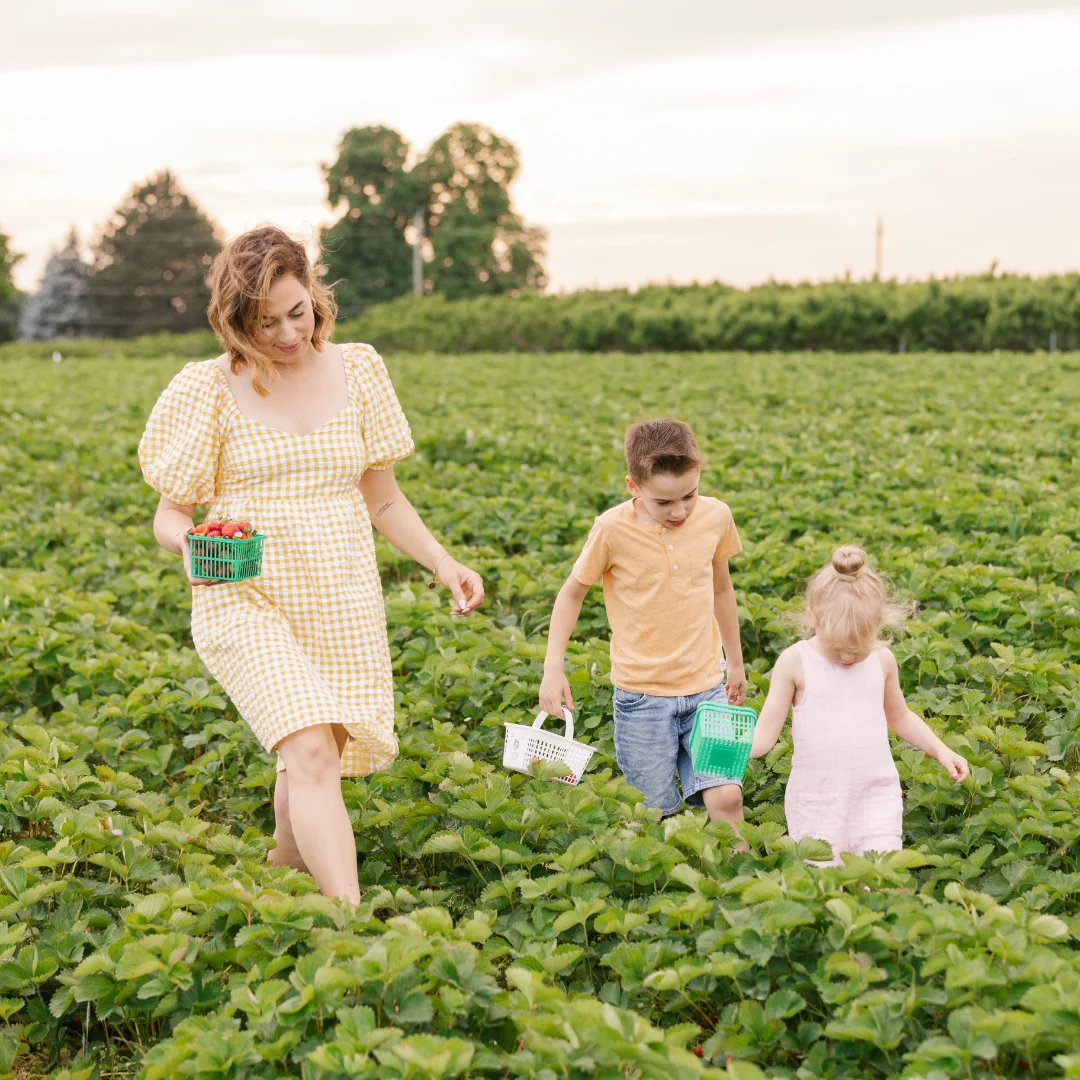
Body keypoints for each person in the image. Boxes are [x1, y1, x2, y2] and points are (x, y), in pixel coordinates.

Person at [138, 225, 484, 903]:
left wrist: (444, 563)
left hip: (339, 592)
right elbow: (168, 514)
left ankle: (285, 870)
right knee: (313, 753)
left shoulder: (360, 369)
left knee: (309, 750)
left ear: (315, 295)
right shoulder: (206, 388)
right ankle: (350, 929)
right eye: (266, 323)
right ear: (235, 322)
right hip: (245, 594)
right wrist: (192, 546)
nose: (289, 335)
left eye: (297, 313)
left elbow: (382, 499)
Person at [539, 417, 747, 829]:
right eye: (664, 503)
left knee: (727, 794)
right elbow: (571, 594)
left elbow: (722, 591)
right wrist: (552, 668)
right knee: (654, 812)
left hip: (708, 688)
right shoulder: (611, 530)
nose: (680, 511)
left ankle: (735, 882)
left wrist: (735, 662)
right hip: (641, 699)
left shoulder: (716, 516)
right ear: (634, 486)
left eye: (689, 496)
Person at [750, 545, 968, 865]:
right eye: (838, 647)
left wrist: (941, 750)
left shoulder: (882, 661)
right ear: (812, 617)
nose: (849, 656)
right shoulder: (795, 663)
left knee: (881, 879)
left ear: (878, 623)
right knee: (824, 890)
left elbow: (901, 717)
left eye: (860, 646)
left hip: (875, 796)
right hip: (817, 802)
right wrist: (733, 749)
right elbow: (766, 733)